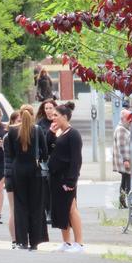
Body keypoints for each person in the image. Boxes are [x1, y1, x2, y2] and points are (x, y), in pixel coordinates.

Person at [6, 104, 49, 251]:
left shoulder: (12, 131)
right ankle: (35, 241)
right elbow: (44, 153)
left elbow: (11, 154)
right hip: (34, 170)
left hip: (18, 170)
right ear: (32, 116)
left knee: (20, 206)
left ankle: (22, 241)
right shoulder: (37, 130)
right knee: (36, 206)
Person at [48, 102, 84, 253]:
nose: (53, 118)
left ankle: (79, 243)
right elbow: (48, 148)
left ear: (64, 116)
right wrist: (50, 133)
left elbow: (76, 159)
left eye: (56, 115)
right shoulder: (59, 133)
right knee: (61, 210)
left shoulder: (73, 134)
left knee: (71, 209)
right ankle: (66, 242)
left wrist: (71, 180)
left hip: (66, 178)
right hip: (56, 177)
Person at [36, 99, 58, 223]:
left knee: (56, 186)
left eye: (51, 108)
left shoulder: (59, 121)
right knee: (46, 186)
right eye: (46, 108)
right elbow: (41, 142)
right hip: (46, 158)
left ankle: (55, 211)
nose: (49, 111)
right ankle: (48, 211)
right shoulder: (40, 124)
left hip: (58, 157)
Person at [3, 111, 21, 249]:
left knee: (22, 208)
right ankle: (14, 239)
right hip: (11, 175)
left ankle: (20, 238)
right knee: (14, 209)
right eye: (18, 121)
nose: (20, 123)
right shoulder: (9, 137)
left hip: (18, 175)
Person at [113, 109, 132, 209]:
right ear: (123, 118)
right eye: (128, 118)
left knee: (125, 181)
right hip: (125, 161)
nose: (131, 120)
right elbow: (122, 146)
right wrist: (126, 160)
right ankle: (129, 202)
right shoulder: (121, 129)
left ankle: (123, 202)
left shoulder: (124, 128)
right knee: (127, 182)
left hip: (124, 160)